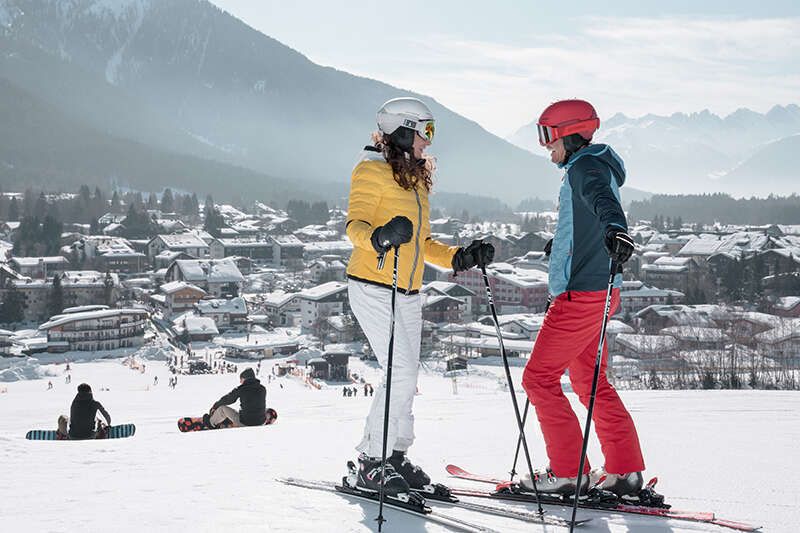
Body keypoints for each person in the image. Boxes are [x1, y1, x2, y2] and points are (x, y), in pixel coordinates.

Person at [345, 96, 494, 497]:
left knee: (408, 378)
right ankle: (371, 462)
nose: (429, 141)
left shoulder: (412, 177)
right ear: (403, 130)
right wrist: (378, 237)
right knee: (401, 371)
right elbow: (354, 227)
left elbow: (421, 243)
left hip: (408, 291)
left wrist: (458, 257)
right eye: (425, 132)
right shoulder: (371, 170)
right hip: (373, 286)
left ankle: (393, 456)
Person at [520, 99, 642, 498]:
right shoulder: (594, 165)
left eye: (546, 136)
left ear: (567, 133)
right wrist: (563, 245)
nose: (545, 147)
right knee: (590, 380)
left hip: (579, 296)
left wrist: (615, 230)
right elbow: (588, 214)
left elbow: (603, 206)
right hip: (602, 291)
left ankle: (568, 473)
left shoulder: (585, 168)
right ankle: (624, 471)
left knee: (538, 379)